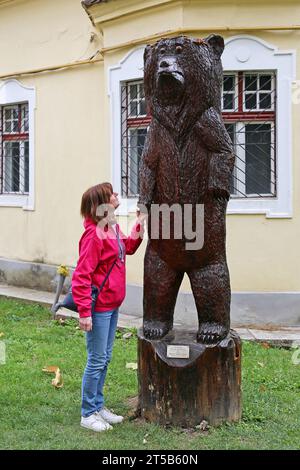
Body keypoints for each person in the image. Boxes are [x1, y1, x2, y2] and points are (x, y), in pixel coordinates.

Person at [72, 182, 145, 432]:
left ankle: (98, 405)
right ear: (100, 204)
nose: (116, 196)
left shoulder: (110, 227)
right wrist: (84, 312)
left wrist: (140, 223)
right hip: (99, 307)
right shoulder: (93, 234)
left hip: (112, 305)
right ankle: (88, 412)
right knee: (96, 359)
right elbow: (82, 275)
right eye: (111, 194)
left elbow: (129, 247)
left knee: (105, 358)